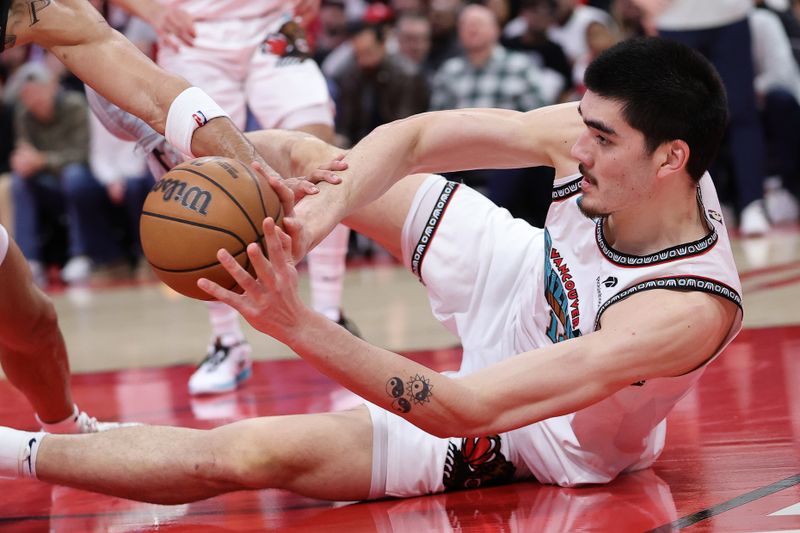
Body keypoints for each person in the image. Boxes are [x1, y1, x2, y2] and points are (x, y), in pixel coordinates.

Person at [0, 38, 741, 503]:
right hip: (516, 271)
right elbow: (414, 139)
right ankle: (163, 140)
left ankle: (13, 452)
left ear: (671, 158)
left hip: (538, 429)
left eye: (601, 138)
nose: (577, 147)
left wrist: (296, 322)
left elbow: (464, 408)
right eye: (581, 124)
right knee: (294, 158)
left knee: (248, 452)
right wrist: (314, 217)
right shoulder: (594, 137)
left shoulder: (683, 311)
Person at [105, 0, 359, 396]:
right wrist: (151, 11)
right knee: (205, 177)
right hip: (194, 31)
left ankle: (331, 316)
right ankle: (227, 341)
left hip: (273, 24)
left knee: (319, 151)